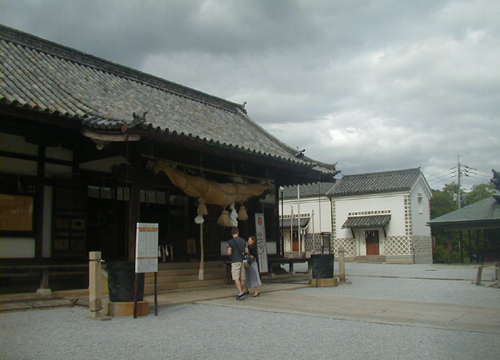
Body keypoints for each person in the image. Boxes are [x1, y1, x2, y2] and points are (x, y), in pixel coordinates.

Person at [227, 227, 248, 300]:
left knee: (235, 277)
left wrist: (231, 255)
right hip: (242, 261)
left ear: (232, 233)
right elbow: (246, 251)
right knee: (242, 277)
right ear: (238, 233)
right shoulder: (243, 241)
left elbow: (229, 252)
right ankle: (241, 291)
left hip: (235, 261)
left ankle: (240, 293)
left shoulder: (230, 242)